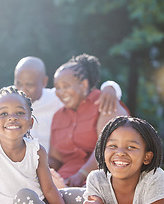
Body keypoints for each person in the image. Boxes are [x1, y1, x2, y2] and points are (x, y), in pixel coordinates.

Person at [0, 86, 91, 204]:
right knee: (25, 195)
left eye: (20, 113)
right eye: (3, 113)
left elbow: (50, 189)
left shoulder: (37, 150)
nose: (12, 117)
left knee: (84, 195)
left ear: (30, 122)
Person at [49, 53, 129, 187]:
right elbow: (55, 158)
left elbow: (109, 146)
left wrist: (82, 174)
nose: (61, 92)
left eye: (66, 86)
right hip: (66, 178)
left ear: (84, 84)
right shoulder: (58, 116)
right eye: (57, 88)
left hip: (102, 175)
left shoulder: (105, 102)